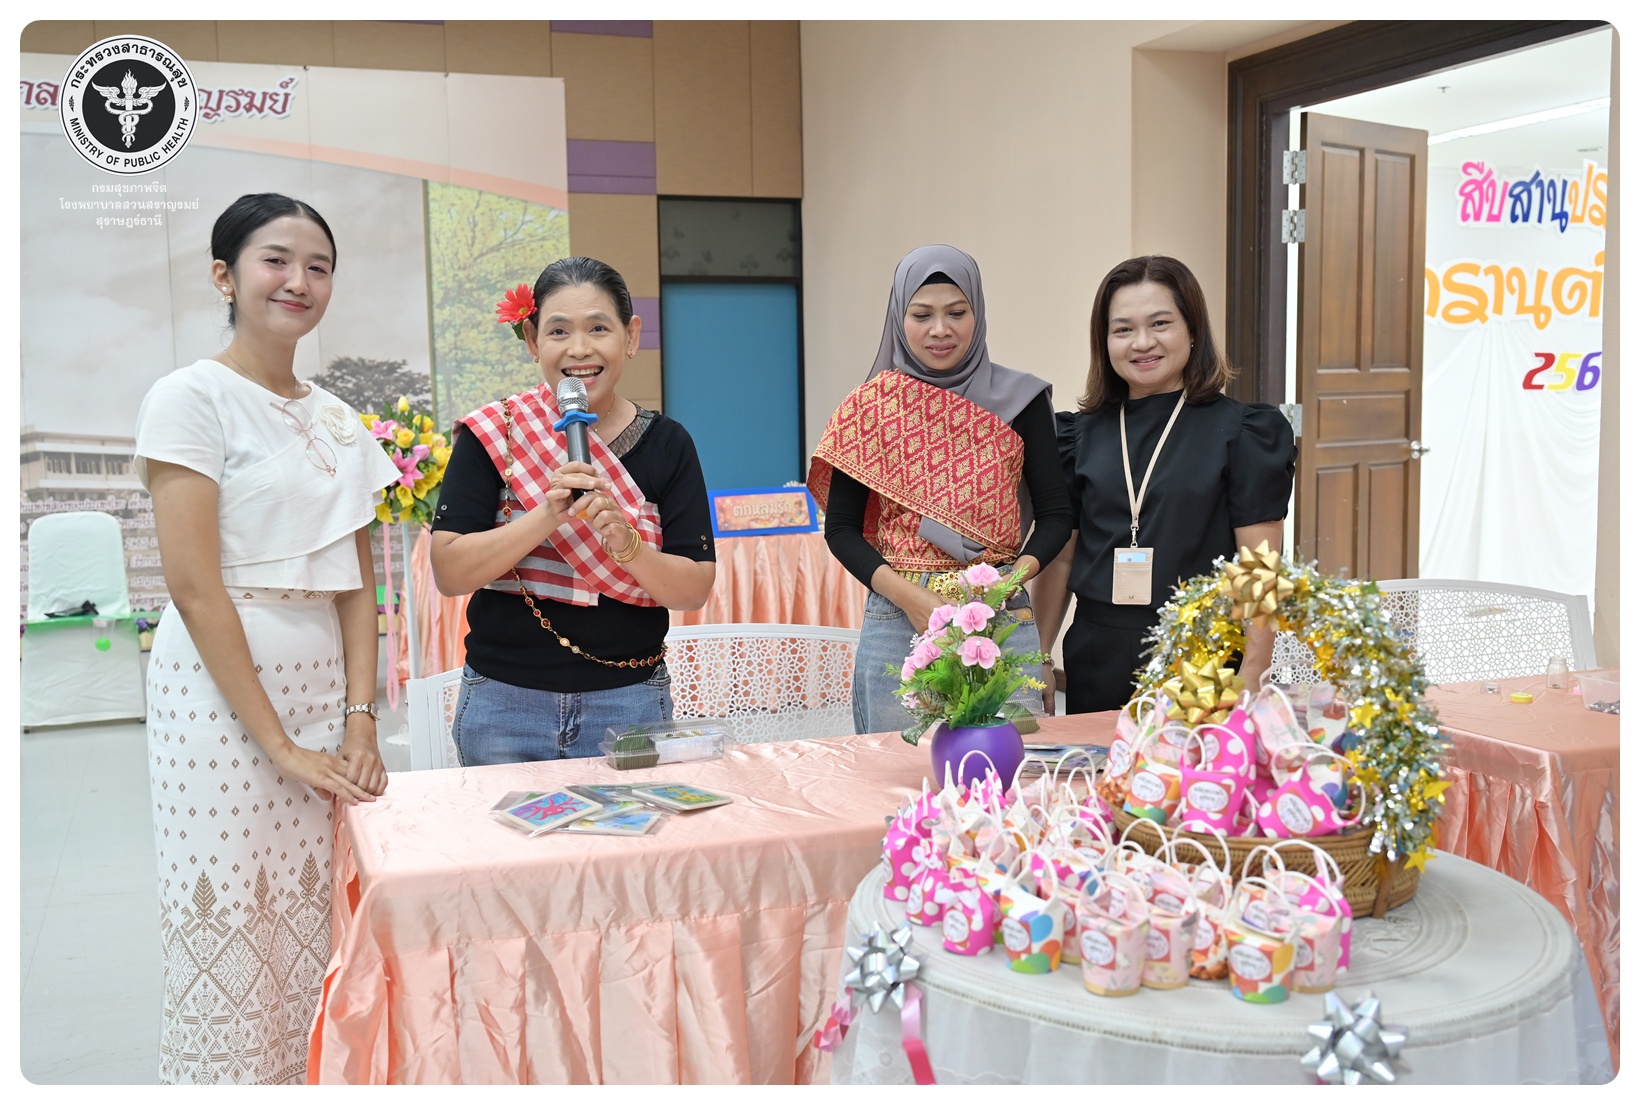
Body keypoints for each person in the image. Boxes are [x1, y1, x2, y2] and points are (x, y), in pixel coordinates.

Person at [134, 193, 397, 1084]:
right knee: (234, 907)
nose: (299, 281)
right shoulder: (190, 398)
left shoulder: (339, 417)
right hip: (218, 701)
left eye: (318, 266)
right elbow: (193, 585)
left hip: (323, 690)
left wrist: (360, 718)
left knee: (318, 909)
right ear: (225, 276)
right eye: (276, 260)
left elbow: (357, 582)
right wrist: (278, 743)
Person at [430, 256, 716, 765]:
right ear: (533, 340)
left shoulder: (669, 444)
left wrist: (627, 543)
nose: (579, 349)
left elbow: (693, 590)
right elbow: (450, 573)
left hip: (629, 701)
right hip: (503, 704)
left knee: (635, 823)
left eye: (599, 328)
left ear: (631, 337)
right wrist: (547, 515)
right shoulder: (499, 434)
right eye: (559, 331)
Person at [808, 244, 1072, 735]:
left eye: (956, 312)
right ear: (898, 317)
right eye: (922, 315)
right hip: (898, 613)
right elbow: (842, 529)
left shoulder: (1022, 400)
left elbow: (1057, 514)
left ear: (978, 312)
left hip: (997, 607)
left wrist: (1005, 584)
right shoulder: (871, 407)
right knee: (896, 768)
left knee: (1009, 767)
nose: (940, 329)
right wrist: (911, 600)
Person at [1032, 255, 1297, 714]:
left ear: (1193, 330)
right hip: (1096, 653)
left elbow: (1259, 567)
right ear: (1104, 341)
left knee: (1192, 764)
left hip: (1203, 652)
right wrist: (1037, 654)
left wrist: (1254, 673)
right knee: (1099, 762)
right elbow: (1062, 559)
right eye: (1123, 329)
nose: (1142, 342)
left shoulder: (1244, 432)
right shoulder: (1075, 436)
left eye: (1160, 324)